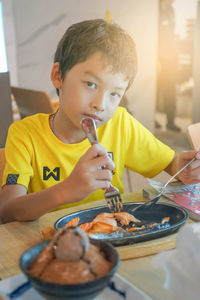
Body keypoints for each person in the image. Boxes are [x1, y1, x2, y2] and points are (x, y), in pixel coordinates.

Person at [0, 19, 200, 223]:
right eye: (91, 84)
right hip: (49, 244)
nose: (100, 104)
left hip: (114, 236)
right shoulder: (25, 134)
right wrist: (68, 190)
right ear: (58, 75)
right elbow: (7, 210)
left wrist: (183, 168)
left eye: (115, 94)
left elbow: (170, 163)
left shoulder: (120, 124)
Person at [156, 0, 180, 131]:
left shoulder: (171, 10)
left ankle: (171, 121)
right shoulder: (155, 9)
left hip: (171, 57)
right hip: (158, 57)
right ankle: (152, 119)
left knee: (171, 90)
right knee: (156, 90)